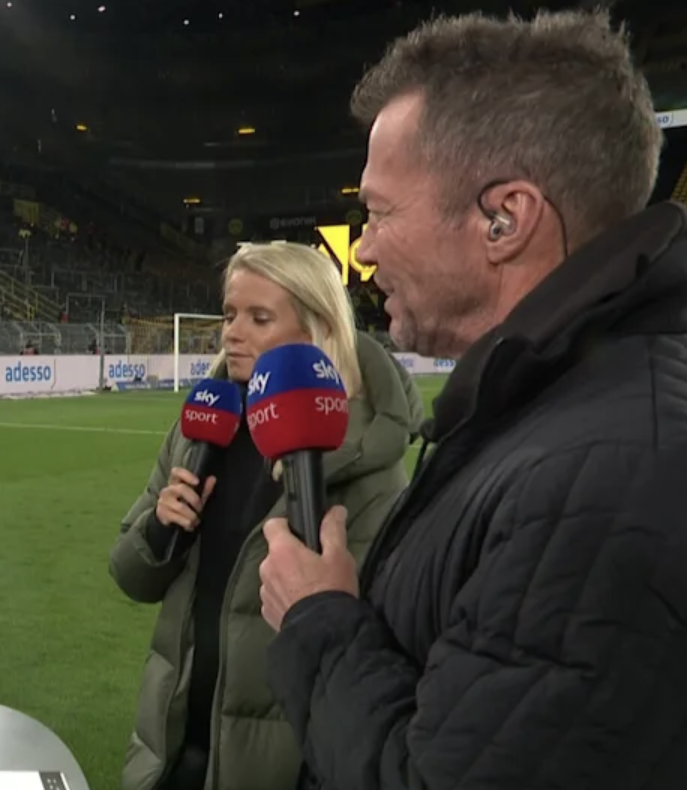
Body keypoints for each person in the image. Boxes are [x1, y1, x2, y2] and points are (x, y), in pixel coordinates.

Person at [257, 10, 687, 789]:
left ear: (503, 220)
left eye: (379, 212)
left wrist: (318, 620)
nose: (363, 248)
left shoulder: (609, 472)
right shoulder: (549, 406)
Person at [110, 243, 422, 790]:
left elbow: (385, 646)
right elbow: (130, 576)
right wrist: (159, 529)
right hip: (172, 756)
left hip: (278, 766)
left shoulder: (367, 465)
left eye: (259, 318)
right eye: (229, 314)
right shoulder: (198, 430)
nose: (232, 333)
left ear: (316, 330)